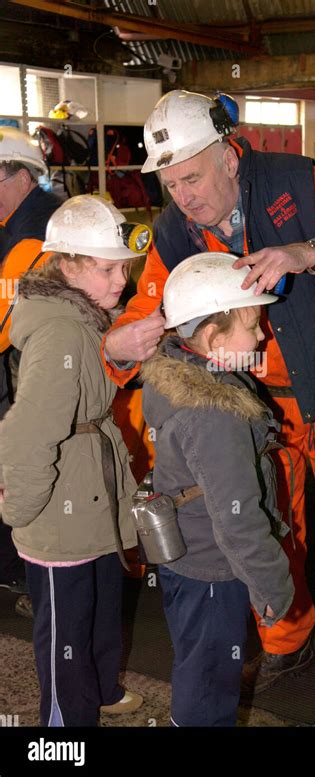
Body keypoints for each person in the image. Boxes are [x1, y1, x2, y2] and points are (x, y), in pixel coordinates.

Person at [102, 90, 315, 727]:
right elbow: (144, 312)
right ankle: (285, 641)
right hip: (256, 412)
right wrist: (116, 344)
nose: (184, 195)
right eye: (169, 182)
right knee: (277, 530)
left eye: (191, 176)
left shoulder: (297, 184)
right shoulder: (170, 233)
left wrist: (310, 252)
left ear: (229, 156)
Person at [0, 195, 146, 726]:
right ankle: (64, 729)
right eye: (107, 269)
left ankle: (102, 689)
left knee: (102, 610)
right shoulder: (61, 329)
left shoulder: (85, 316)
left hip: (90, 498)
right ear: (67, 264)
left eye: (122, 268)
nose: (120, 281)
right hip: (58, 510)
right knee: (65, 631)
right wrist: (23, 509)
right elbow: (29, 428)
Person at [140, 252, 294, 727]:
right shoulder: (215, 413)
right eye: (253, 325)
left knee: (198, 667)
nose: (263, 334)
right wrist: (271, 583)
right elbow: (237, 514)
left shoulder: (181, 373)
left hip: (189, 559)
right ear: (212, 337)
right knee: (209, 684)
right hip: (212, 567)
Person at [0, 127, 61, 614]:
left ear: (20, 176)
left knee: (24, 469)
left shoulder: (34, 228)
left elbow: (2, 317)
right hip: (27, 372)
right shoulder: (21, 218)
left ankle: (26, 575)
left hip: (31, 376)